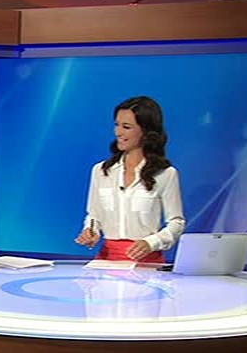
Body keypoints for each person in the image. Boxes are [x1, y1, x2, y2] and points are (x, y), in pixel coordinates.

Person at [75, 96, 186, 263]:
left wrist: (151, 242)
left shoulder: (165, 174)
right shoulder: (101, 171)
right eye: (117, 125)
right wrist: (91, 231)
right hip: (107, 262)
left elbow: (176, 223)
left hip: (146, 262)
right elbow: (94, 216)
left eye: (126, 127)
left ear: (146, 132)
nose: (118, 132)